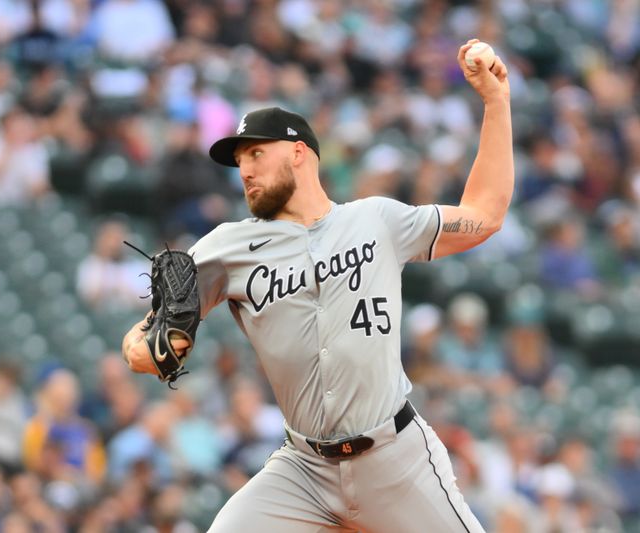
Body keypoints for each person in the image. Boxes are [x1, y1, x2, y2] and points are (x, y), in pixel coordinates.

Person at [123, 39, 512, 532]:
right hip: (302, 471)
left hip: (396, 461)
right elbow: (145, 337)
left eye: (257, 153)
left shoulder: (376, 220)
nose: (245, 170)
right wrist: (146, 346)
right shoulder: (225, 247)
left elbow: (484, 215)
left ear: (300, 154)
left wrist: (496, 102)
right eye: (239, 160)